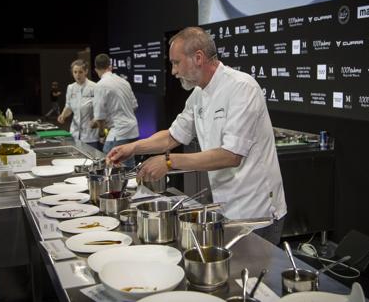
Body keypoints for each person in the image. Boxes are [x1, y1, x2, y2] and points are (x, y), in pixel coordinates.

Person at [107, 27, 287, 245]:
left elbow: (231, 155)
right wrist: (132, 148)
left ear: (198, 58)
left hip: (257, 213)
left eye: (176, 63)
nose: (173, 71)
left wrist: (169, 161)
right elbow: (172, 136)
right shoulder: (199, 94)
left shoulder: (242, 87)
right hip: (226, 206)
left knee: (252, 278)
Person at [91, 53, 139, 166]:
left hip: (119, 132)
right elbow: (134, 106)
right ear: (110, 66)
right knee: (128, 165)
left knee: (110, 160)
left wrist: (102, 134)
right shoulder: (124, 82)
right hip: (132, 129)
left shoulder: (100, 85)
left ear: (96, 69)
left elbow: (99, 117)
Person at [57, 60, 99, 149]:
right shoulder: (70, 87)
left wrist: (96, 120)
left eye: (80, 72)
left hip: (90, 135)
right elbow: (68, 106)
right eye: (75, 72)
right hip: (74, 133)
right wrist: (63, 115)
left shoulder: (95, 87)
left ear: (86, 72)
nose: (77, 75)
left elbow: (100, 109)